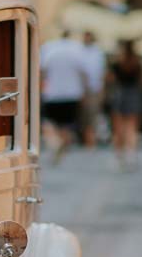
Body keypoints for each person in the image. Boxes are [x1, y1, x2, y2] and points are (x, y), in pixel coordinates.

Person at [40, 30, 94, 163]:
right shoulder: (77, 49)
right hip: (72, 93)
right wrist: (85, 92)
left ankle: (55, 143)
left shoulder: (49, 48)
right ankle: (60, 145)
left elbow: (42, 71)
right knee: (67, 125)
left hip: (52, 93)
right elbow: (84, 73)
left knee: (49, 123)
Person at [108, 39, 142, 168]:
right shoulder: (137, 63)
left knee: (118, 128)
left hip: (120, 94)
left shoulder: (117, 63)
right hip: (134, 94)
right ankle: (132, 155)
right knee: (132, 128)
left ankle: (119, 155)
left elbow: (110, 79)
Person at [78, 30, 108, 148]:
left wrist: (102, 89)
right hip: (82, 88)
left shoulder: (97, 52)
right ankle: (87, 138)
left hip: (94, 88)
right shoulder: (79, 51)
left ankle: (92, 138)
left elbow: (101, 72)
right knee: (84, 115)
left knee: (93, 113)